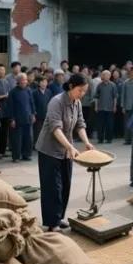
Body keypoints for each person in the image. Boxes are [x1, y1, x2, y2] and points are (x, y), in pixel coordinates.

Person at [35, 74, 96, 232]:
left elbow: (80, 125)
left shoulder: (77, 103)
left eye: (84, 91)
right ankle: (51, 223)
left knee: (65, 185)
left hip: (66, 150)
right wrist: (69, 146)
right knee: (52, 188)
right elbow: (55, 128)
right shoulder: (57, 102)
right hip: (49, 150)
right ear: (71, 86)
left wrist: (86, 142)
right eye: (80, 90)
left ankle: (59, 217)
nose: (82, 94)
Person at [94, 70, 118, 144]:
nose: (106, 76)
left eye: (107, 75)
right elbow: (96, 97)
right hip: (101, 107)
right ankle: (100, 139)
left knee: (109, 124)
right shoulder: (99, 85)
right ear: (102, 76)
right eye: (104, 75)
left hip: (110, 108)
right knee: (100, 124)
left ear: (110, 76)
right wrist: (96, 106)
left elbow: (115, 97)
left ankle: (109, 138)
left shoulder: (113, 85)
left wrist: (114, 106)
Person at [32, 76, 51, 145]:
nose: (44, 84)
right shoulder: (34, 92)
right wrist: (34, 113)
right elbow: (32, 103)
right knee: (37, 131)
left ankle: (44, 144)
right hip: (38, 115)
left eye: (45, 82)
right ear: (39, 83)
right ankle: (36, 144)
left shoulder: (49, 92)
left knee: (45, 131)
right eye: (42, 82)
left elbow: (50, 102)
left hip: (46, 114)